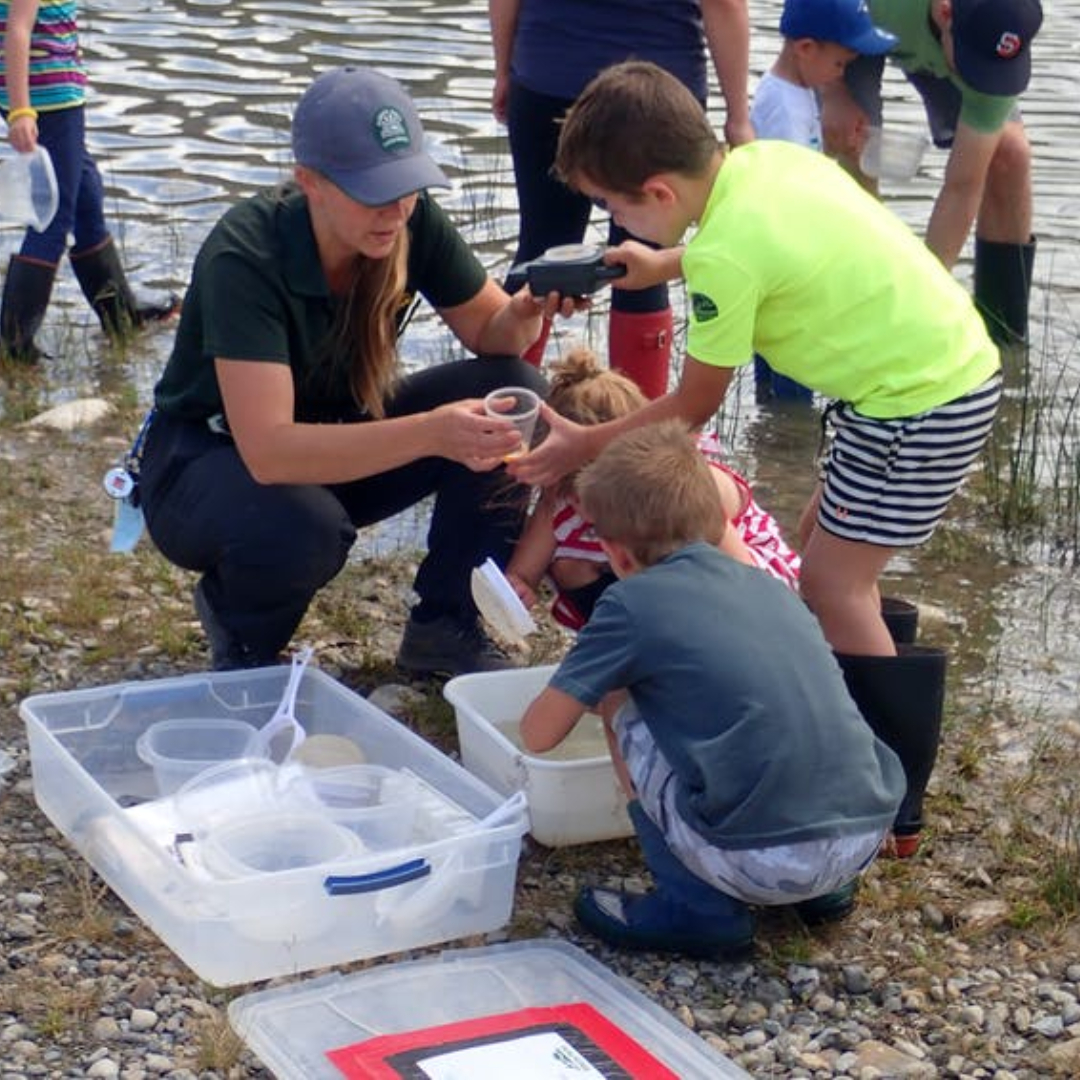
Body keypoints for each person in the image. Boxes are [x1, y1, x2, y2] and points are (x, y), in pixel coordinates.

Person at [512, 59, 1002, 856]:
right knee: (831, 559)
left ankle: (895, 807)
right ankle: (851, 738)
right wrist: (664, 263)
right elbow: (761, 247)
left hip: (915, 403)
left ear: (659, 195)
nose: (612, 221)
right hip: (938, 371)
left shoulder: (723, 260)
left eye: (611, 206)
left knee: (832, 585)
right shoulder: (769, 160)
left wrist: (577, 444)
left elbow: (688, 410)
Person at [137, 66, 566, 677]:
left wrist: (530, 305)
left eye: (409, 186)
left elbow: (493, 335)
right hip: (205, 463)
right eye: (373, 191)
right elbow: (270, 452)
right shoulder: (247, 253)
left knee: (514, 392)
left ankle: (446, 626)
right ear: (308, 180)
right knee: (307, 528)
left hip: (334, 437)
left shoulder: (409, 221)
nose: (395, 210)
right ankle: (242, 635)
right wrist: (432, 433)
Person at [520, 421, 905, 958]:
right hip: (863, 835)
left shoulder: (629, 604)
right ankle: (824, 894)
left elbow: (539, 735)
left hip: (763, 864)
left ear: (617, 553)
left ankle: (697, 911)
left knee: (617, 704)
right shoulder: (772, 586)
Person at [489, 0, 754, 397]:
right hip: (658, 94)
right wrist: (738, 117)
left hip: (549, 70)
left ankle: (498, 417)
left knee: (540, 253)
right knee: (644, 267)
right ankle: (642, 435)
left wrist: (503, 68)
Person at [505, 347, 799, 630]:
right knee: (569, 566)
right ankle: (624, 648)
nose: (593, 510)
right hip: (650, 592)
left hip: (738, 586)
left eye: (604, 496)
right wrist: (518, 588)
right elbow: (524, 572)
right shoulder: (560, 499)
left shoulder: (684, 486)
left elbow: (744, 581)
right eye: (579, 499)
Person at [819, 0, 1044, 347]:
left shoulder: (1001, 25)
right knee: (854, 141)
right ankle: (864, 317)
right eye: (975, 59)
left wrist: (924, 300)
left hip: (935, 37)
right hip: (850, 22)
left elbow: (962, 186)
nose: (988, 80)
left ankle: (1003, 340)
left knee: (1009, 154)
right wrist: (833, 91)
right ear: (944, 12)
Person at [0, 0, 177, 363]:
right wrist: (21, 112)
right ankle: (13, 342)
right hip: (48, 100)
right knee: (54, 217)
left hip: (49, 92)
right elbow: (18, 28)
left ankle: (120, 314)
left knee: (86, 197)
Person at [749, 0, 897, 403]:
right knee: (796, 376)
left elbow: (796, 169)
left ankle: (773, 440)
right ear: (806, 49)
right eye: (840, 65)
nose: (842, 76)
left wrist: (835, 154)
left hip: (780, 266)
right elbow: (789, 191)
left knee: (773, 361)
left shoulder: (796, 93)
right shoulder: (784, 106)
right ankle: (791, 452)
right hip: (787, 268)